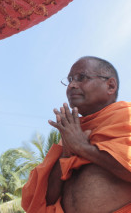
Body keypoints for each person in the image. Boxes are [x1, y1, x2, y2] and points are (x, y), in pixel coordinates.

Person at [21, 56, 131, 213]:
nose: (72, 85)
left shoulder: (127, 115)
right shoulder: (71, 133)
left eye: (82, 78)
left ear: (110, 86)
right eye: (70, 80)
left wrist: (82, 148)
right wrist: (66, 154)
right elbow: (46, 199)